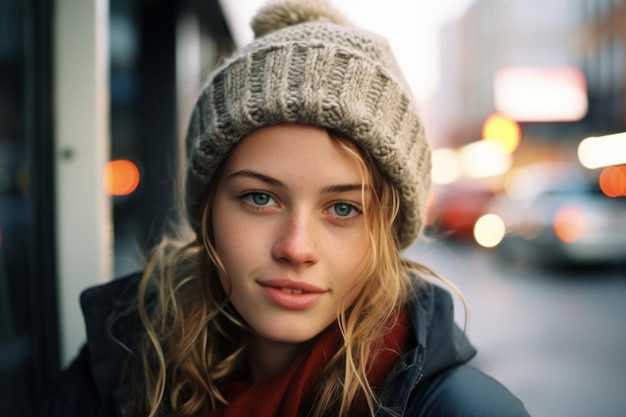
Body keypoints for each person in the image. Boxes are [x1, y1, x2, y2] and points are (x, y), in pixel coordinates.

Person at [43, 0, 531, 416]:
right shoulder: (119, 365)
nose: (296, 248)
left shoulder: (457, 409)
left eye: (342, 209)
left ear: (388, 230)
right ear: (209, 209)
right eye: (260, 198)